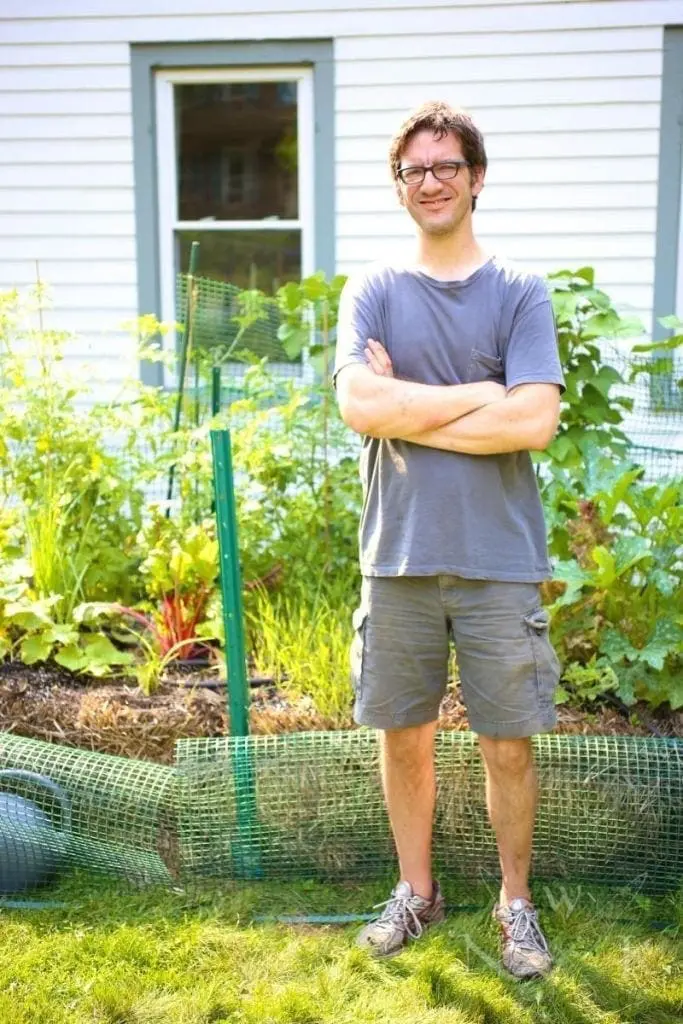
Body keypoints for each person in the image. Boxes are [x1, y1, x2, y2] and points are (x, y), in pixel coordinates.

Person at [333, 100, 564, 979]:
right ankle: (416, 892)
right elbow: (359, 405)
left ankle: (515, 905)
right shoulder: (374, 290)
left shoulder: (518, 291)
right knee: (404, 735)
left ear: (475, 177)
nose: (429, 181)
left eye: (445, 166)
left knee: (507, 740)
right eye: (413, 170)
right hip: (395, 554)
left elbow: (534, 422)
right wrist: (482, 394)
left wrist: (411, 408)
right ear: (399, 187)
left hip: (497, 557)